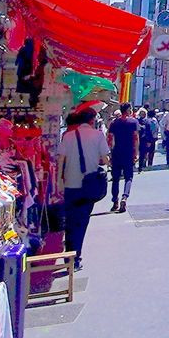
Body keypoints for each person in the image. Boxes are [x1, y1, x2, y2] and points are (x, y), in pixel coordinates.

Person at [50, 104, 111, 273]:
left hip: (70, 184)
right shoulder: (98, 135)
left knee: (70, 221)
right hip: (88, 185)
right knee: (82, 222)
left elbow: (61, 159)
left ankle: (69, 255)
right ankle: (76, 258)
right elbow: (105, 158)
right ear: (92, 120)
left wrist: (59, 180)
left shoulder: (68, 136)